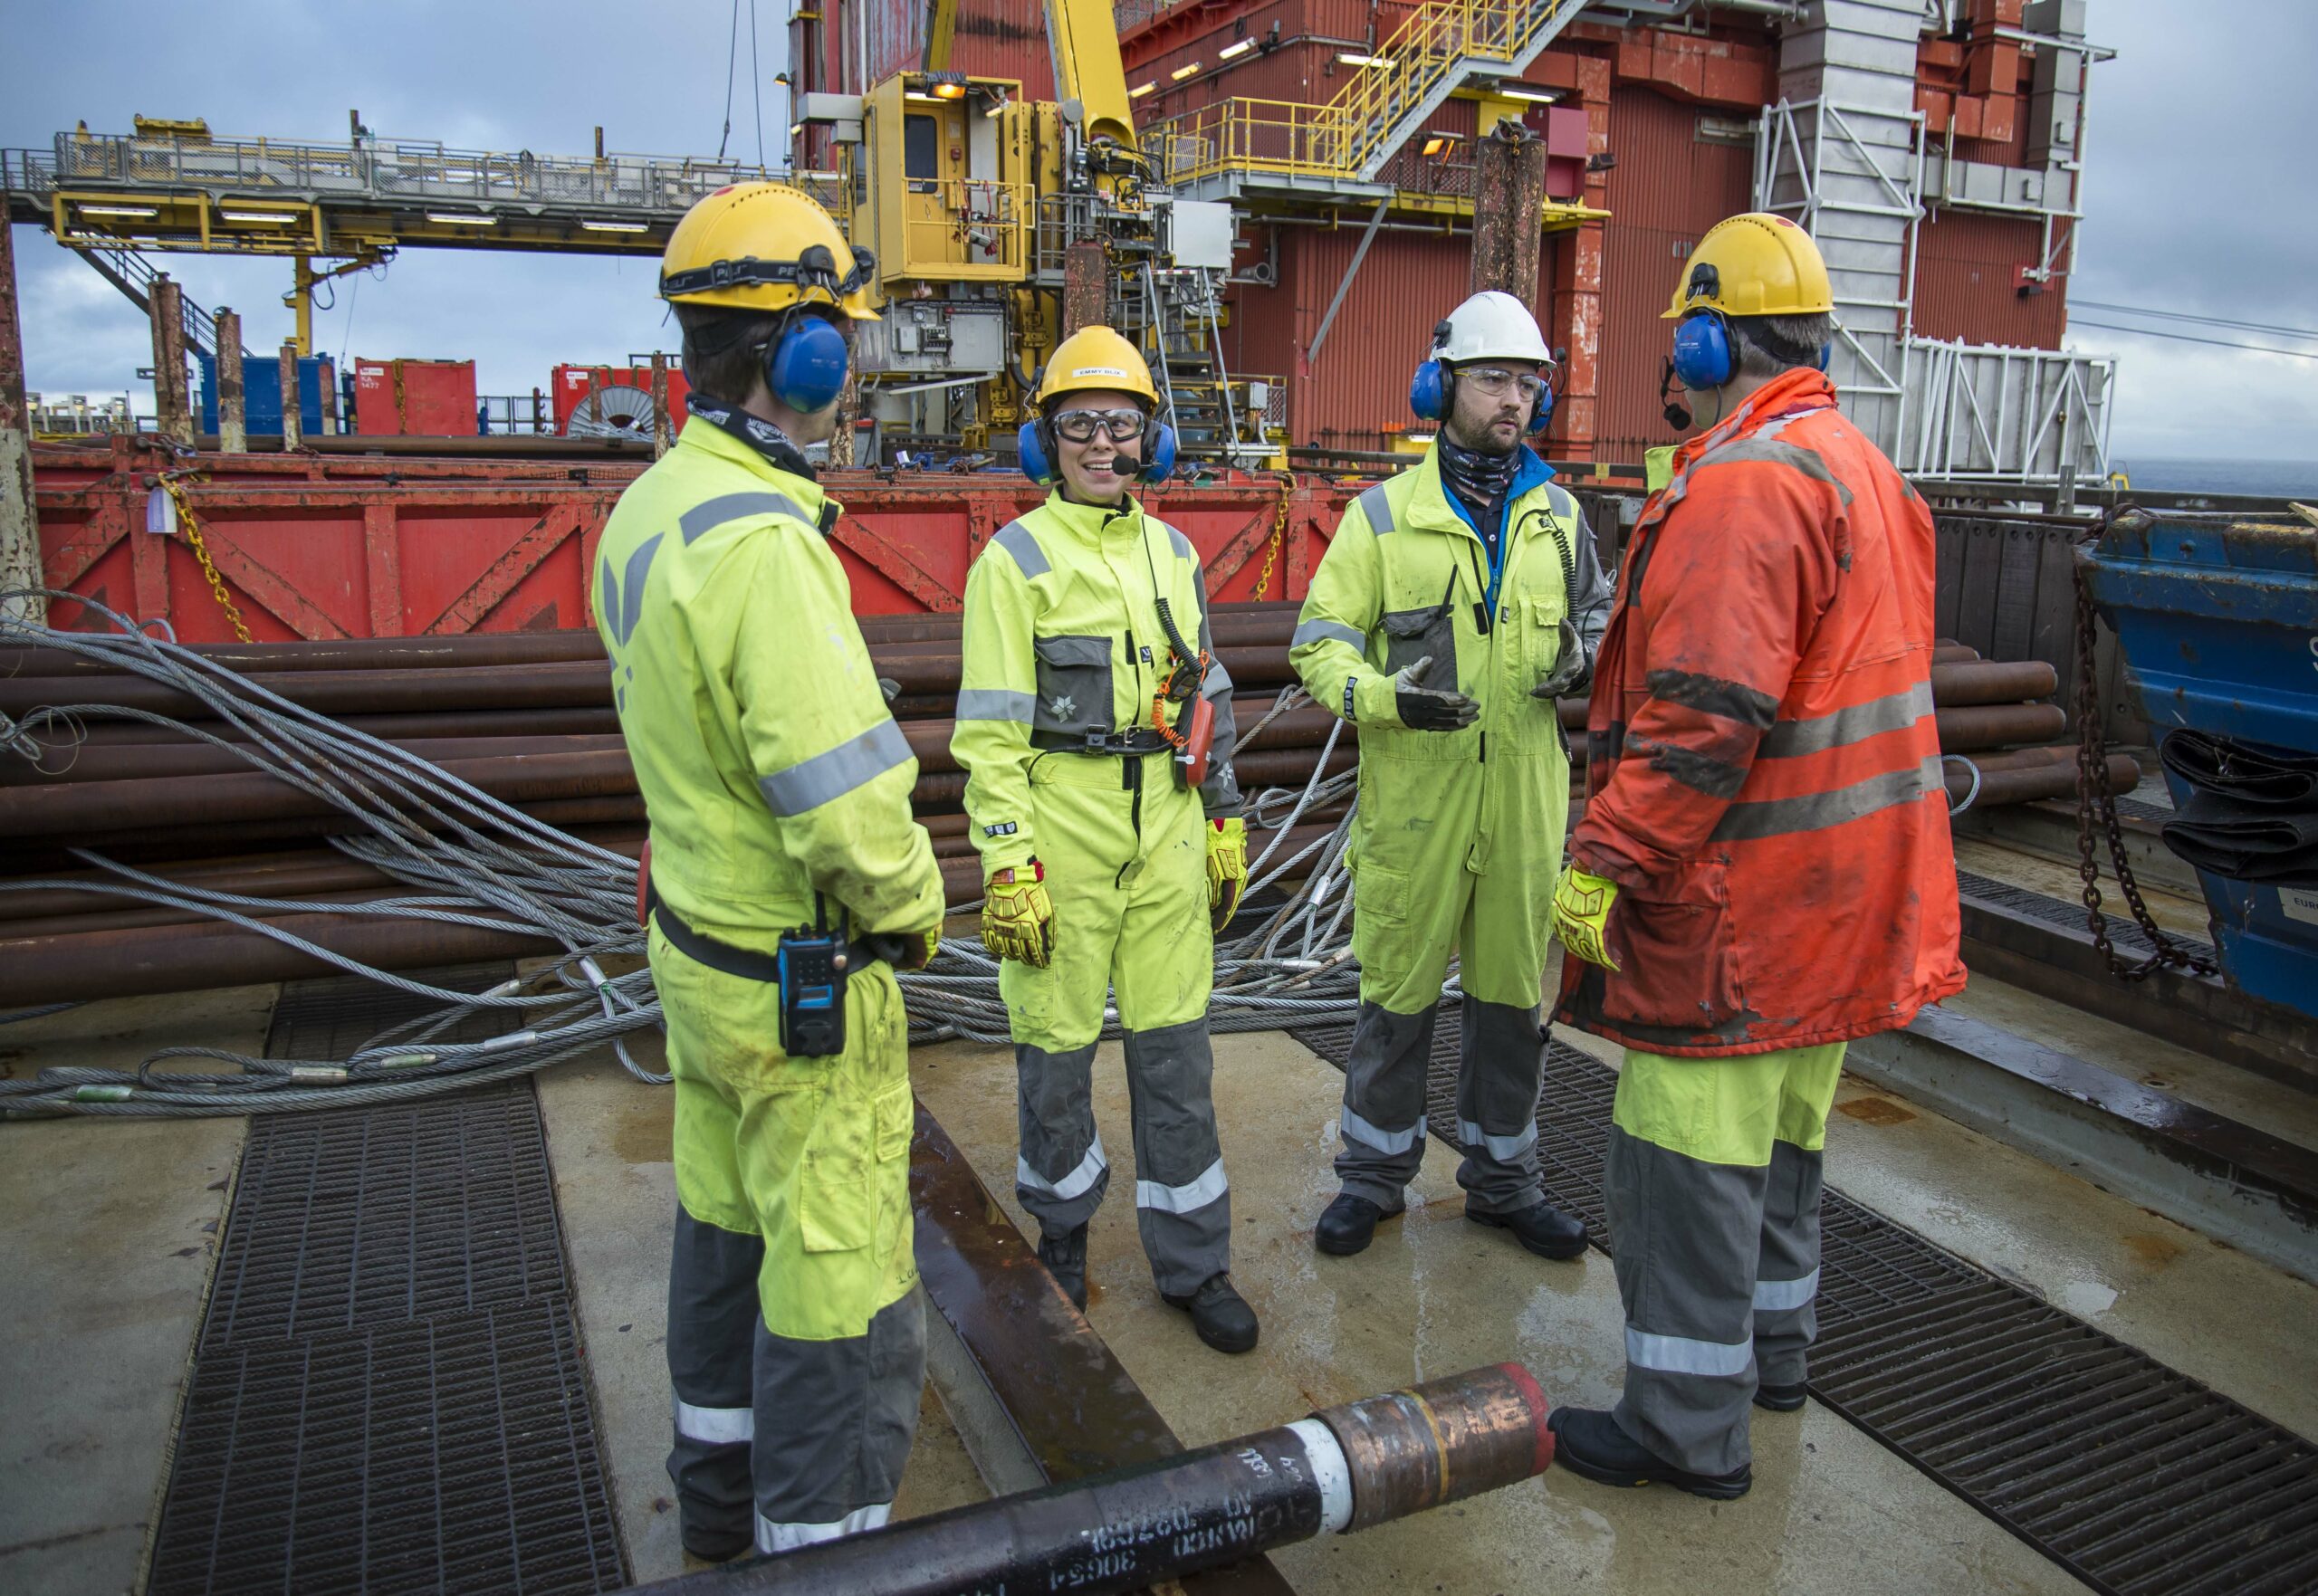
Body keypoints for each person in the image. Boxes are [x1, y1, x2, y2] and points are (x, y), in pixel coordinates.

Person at [1545, 212, 1965, 1499]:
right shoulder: (1861, 468)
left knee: (1683, 1163)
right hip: (1846, 900)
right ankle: (1778, 1357)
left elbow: (1702, 717)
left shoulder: (1742, 483)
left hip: (1742, 907)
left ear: (1711, 333)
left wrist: (1605, 861)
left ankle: (1683, 1423)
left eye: (1683, 334)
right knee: (1788, 1148)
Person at [593, 182, 946, 1560]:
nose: (847, 368)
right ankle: (831, 1548)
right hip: (802, 995)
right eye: (837, 339)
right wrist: (916, 909)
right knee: (836, 1280)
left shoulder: (654, 511)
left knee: (723, 1232)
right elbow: (848, 811)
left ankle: (722, 1514)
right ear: (796, 352)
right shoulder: (767, 549)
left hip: (700, 959)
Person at [951, 326, 1259, 1354]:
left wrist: (1223, 818)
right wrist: (1007, 863)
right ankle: (1065, 1235)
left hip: (1165, 830)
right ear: (1045, 443)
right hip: (1064, 836)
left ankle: (1194, 1261)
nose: (1099, 443)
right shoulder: (1014, 561)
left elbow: (1203, 691)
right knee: (1055, 1052)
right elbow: (990, 735)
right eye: (1077, 424)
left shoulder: (1173, 552)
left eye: (1119, 425)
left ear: (1148, 444)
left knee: (1175, 1054)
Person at [1288, 291, 1610, 1263]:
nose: (1511, 399)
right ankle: (1372, 1180)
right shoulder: (1381, 517)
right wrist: (1385, 699)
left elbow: (1599, 623)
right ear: (1443, 385)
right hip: (1417, 807)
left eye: (1526, 382)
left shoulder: (1560, 517)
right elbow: (1319, 644)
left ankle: (1505, 1182)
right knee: (1396, 997)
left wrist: (1584, 663)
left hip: (1520, 806)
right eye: (1492, 378)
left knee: (1514, 1001)